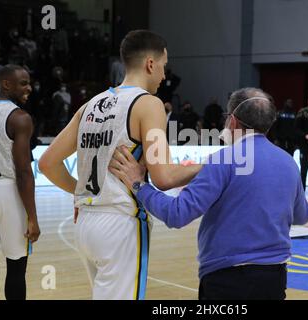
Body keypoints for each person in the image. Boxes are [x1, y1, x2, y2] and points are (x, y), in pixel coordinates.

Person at [38, 30, 201, 300]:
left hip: (86, 225)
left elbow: (47, 163)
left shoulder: (91, 104)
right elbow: (163, 176)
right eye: (163, 66)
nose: (164, 75)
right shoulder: (149, 104)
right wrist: (212, 166)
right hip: (120, 224)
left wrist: (82, 194)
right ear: (151, 63)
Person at [109, 87, 308, 300]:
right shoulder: (288, 162)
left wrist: (139, 186)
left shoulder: (223, 160)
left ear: (232, 121)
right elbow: (302, 215)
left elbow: (177, 214)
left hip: (228, 278)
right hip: (274, 278)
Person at [0, 64, 40, 300]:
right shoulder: (20, 118)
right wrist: (32, 216)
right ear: (6, 84)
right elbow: (23, 172)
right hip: (7, 190)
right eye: (23, 83)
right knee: (16, 265)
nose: (29, 88)